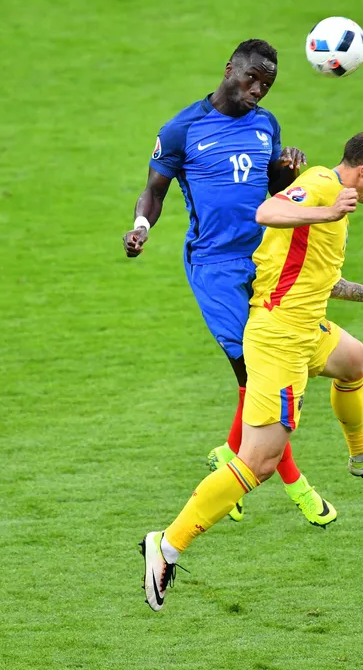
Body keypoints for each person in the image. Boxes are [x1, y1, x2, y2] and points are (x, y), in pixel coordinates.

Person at [140, 130, 363, 611]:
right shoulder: (322, 187)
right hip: (280, 340)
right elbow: (267, 211)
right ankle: (166, 544)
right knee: (259, 463)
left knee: (354, 360)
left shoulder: (334, 201)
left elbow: (320, 278)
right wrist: (326, 211)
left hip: (306, 327)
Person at [123, 39, 336, 528]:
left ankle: (230, 458)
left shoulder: (267, 125)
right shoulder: (182, 129)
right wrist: (141, 228)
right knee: (257, 375)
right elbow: (154, 191)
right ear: (229, 69)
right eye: (252, 78)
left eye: (267, 84)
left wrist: (286, 172)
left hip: (263, 261)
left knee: (263, 375)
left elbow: (274, 194)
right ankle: (296, 486)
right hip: (215, 267)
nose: (257, 90)